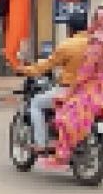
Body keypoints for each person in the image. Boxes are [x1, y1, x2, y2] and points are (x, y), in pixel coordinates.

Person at [52, 6, 103, 164]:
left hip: (98, 87)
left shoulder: (98, 41)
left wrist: (71, 91)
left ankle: (64, 150)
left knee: (65, 112)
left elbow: (86, 69)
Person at [17, 11, 90, 152]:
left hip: (69, 91)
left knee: (36, 103)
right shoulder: (97, 46)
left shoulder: (68, 45)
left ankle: (41, 143)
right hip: (91, 93)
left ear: (70, 28)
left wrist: (24, 69)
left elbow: (45, 66)